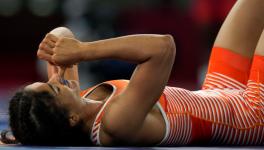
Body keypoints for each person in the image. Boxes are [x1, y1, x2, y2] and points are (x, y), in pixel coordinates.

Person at [3, 0, 264, 146]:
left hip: (218, 92)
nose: (56, 77)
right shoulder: (115, 123)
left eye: (48, 79)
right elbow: (163, 47)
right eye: (54, 87)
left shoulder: (77, 103)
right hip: (252, 113)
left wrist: (54, 43)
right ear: (70, 118)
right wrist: (81, 50)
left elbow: (63, 34)